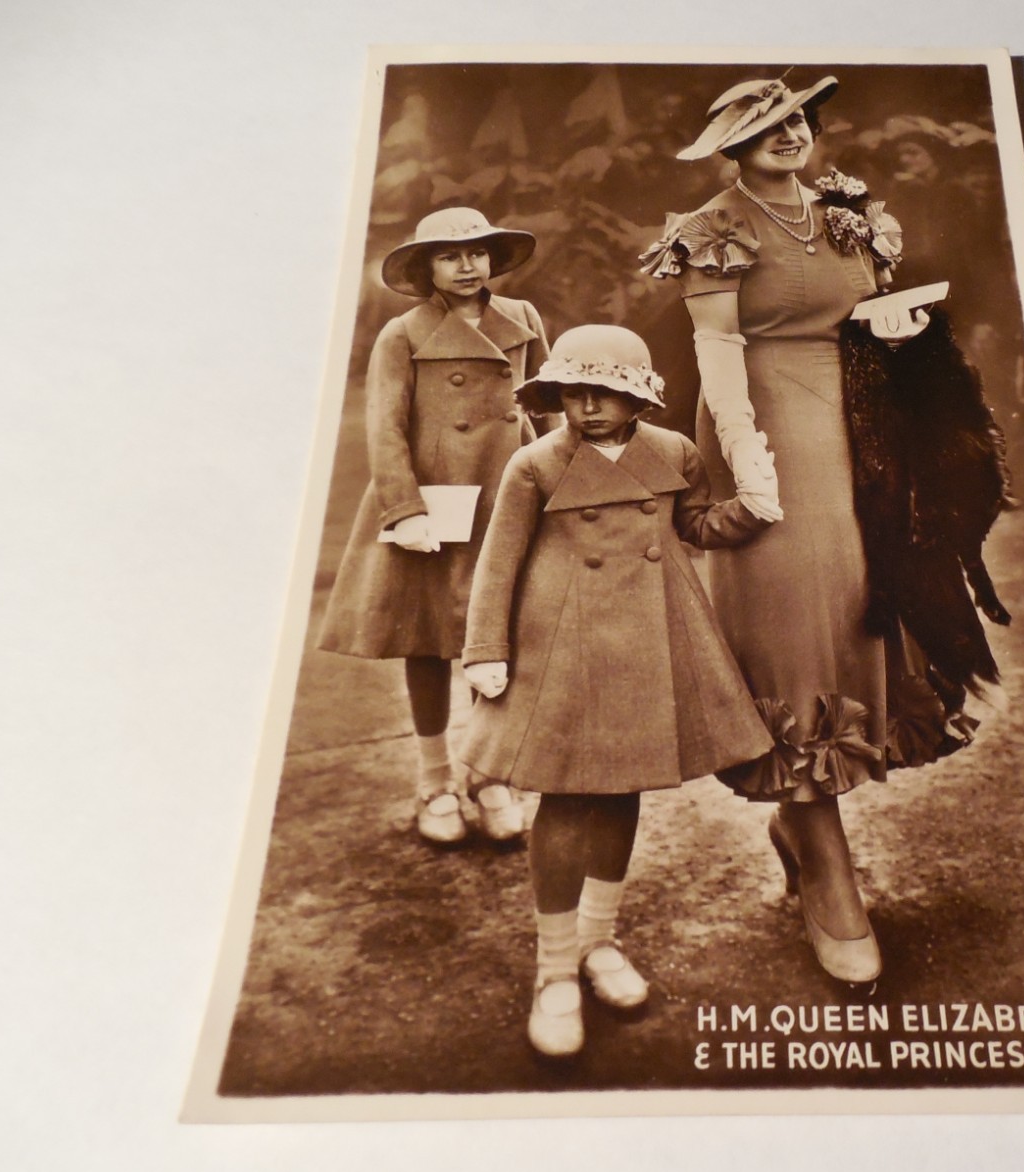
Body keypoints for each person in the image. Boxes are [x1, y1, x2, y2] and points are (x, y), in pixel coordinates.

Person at [641, 76, 987, 986]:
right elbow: (717, 351)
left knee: (868, 603)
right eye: (765, 125)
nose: (789, 134)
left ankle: (801, 824)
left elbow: (863, 318)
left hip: (861, 423)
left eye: (797, 118)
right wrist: (748, 465)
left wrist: (905, 346)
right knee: (797, 617)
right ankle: (821, 848)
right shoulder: (714, 225)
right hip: (768, 423)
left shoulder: (846, 210)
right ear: (731, 144)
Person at [460, 324, 772, 1057]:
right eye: (575, 391)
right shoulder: (536, 465)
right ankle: (554, 970)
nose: (590, 406)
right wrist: (485, 650)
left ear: (639, 397)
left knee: (622, 790)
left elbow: (692, 524)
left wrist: (747, 509)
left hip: (649, 637)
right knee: (567, 799)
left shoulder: (672, 453)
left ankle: (598, 940)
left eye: (606, 392)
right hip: (562, 646)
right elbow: (498, 564)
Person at [318, 207, 547, 846]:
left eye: (476, 251)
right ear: (428, 268)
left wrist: (564, 478)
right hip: (438, 499)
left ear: (492, 257)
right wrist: (404, 507)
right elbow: (385, 427)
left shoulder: (523, 320)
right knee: (428, 638)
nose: (467, 264)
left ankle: (488, 774)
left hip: (507, 492)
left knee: (494, 635)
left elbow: (545, 403)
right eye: (450, 255)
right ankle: (435, 777)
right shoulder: (403, 333)